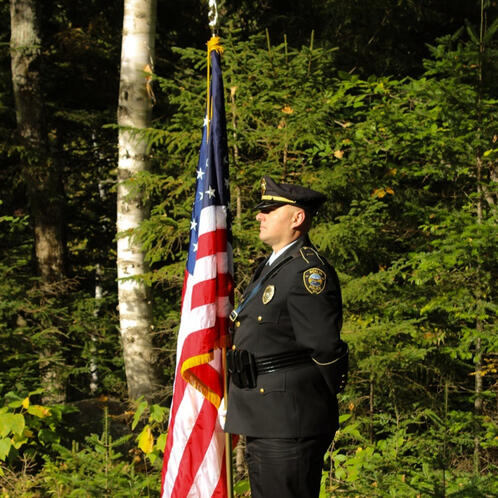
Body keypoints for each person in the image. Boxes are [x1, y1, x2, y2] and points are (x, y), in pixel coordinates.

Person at [225, 175, 348, 498]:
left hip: (289, 417)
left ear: (297, 218)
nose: (258, 215)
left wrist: (312, 403)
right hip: (266, 414)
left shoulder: (307, 272)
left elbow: (325, 347)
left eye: (269, 209)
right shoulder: (273, 266)